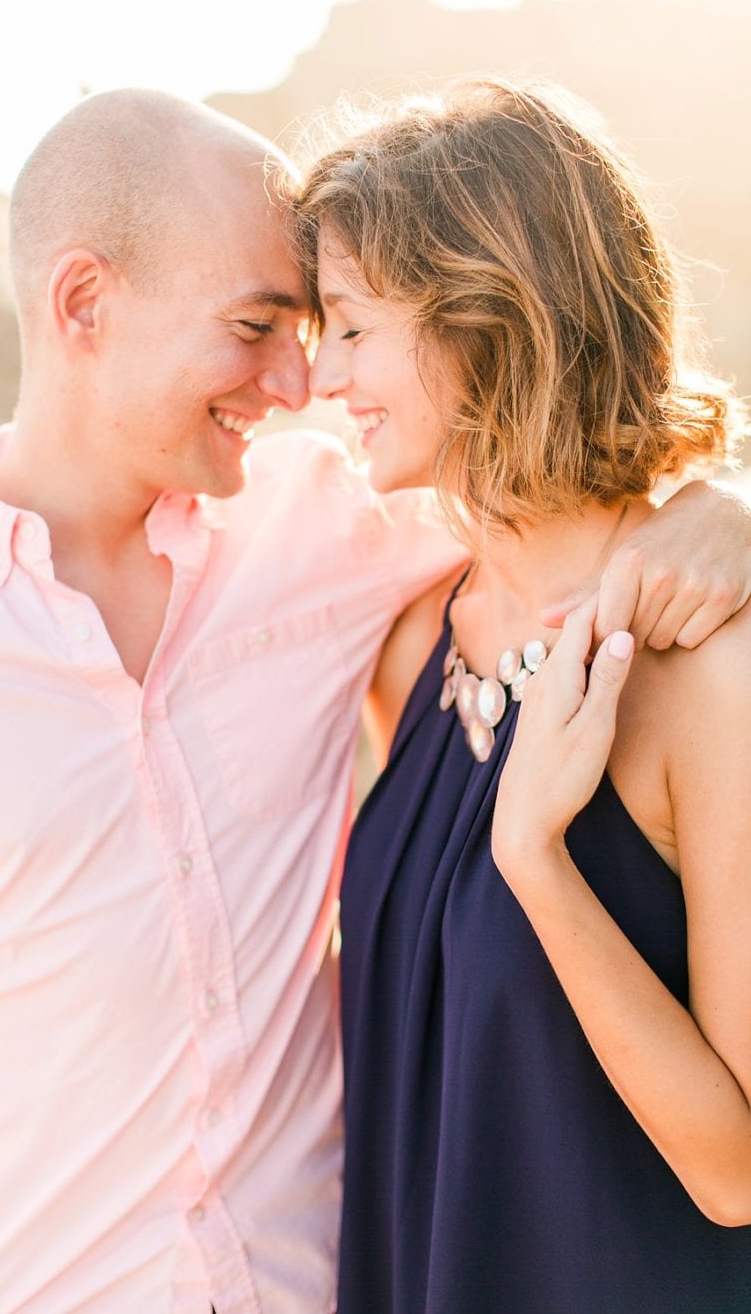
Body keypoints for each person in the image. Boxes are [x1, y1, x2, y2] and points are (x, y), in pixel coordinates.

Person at [0, 89, 751, 1312]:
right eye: (258, 324)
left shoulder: (333, 527)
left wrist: (724, 512)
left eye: (327, 327)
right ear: (82, 305)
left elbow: (573, 494)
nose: (302, 382)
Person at [301, 80, 751, 1311]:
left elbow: (739, 1172)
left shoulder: (710, 672)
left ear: (483, 316)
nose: (322, 378)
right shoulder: (413, 644)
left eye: (348, 325)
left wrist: (536, 865)